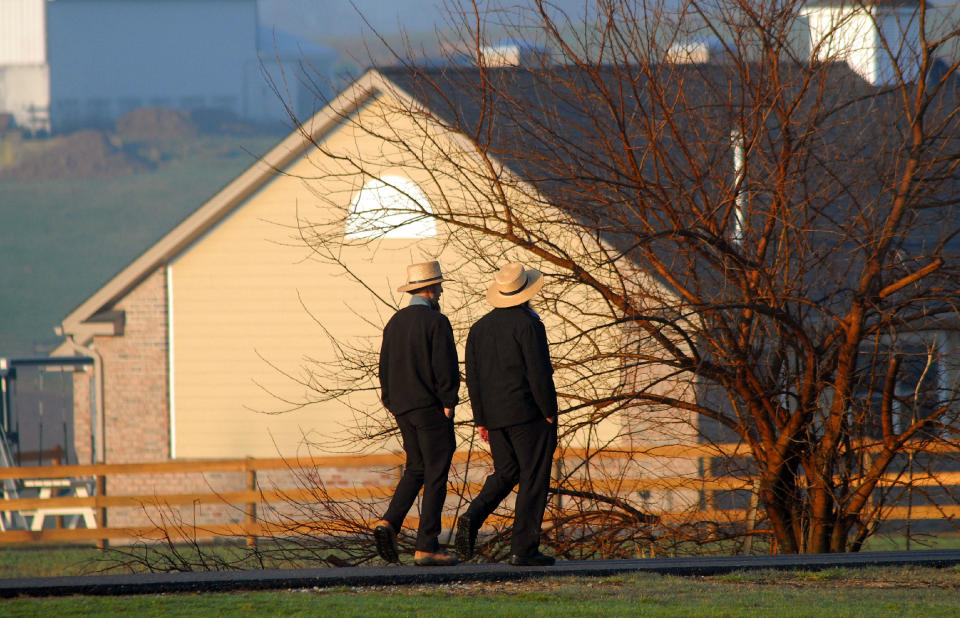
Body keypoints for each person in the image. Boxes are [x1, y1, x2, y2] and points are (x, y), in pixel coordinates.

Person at [456, 262, 558, 566]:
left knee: (507, 472)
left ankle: (473, 516)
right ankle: (523, 549)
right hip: (529, 415)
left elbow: (473, 378)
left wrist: (481, 420)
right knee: (533, 478)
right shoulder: (529, 325)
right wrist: (549, 411)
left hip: (496, 418)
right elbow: (538, 372)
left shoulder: (478, 329)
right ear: (526, 292)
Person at [374, 260, 460, 566]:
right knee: (437, 472)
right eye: (438, 286)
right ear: (431, 288)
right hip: (430, 407)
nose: (440, 290)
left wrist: (391, 401)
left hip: (402, 407)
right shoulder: (437, 323)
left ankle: (390, 522)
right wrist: (449, 401)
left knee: (416, 468)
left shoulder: (394, 323)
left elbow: (383, 368)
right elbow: (446, 366)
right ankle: (427, 545)